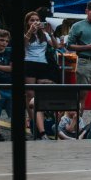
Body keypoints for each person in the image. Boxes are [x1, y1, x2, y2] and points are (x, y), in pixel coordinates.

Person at [23, 10, 61, 139]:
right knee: (30, 94)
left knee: (41, 93)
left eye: (37, 20)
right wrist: (30, 31)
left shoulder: (44, 34)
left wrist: (51, 33)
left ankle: (41, 120)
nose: (35, 22)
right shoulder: (26, 33)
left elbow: (56, 46)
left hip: (43, 64)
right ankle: (33, 121)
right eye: (32, 20)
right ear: (27, 22)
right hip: (29, 62)